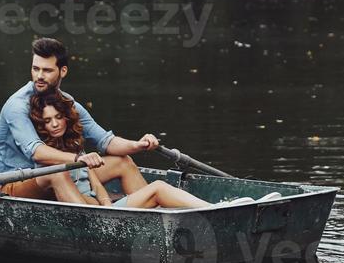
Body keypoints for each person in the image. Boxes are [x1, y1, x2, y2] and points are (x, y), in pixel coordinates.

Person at [0, 37, 160, 203]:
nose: (39, 76)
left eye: (47, 70)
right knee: (55, 171)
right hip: (16, 185)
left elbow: (105, 141)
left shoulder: (66, 103)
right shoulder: (17, 106)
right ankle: (93, 224)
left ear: (63, 71)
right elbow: (37, 152)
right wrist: (76, 159)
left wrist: (138, 145)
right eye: (35, 69)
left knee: (122, 162)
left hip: (60, 176)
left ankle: (149, 217)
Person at [30, 90, 213, 210]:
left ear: (66, 118)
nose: (54, 124)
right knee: (158, 187)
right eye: (47, 121)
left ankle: (209, 209)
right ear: (41, 125)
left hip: (106, 210)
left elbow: (96, 185)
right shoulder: (48, 157)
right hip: (95, 217)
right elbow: (71, 202)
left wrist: (107, 204)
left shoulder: (73, 146)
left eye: (58, 117)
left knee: (154, 188)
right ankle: (211, 210)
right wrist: (102, 209)